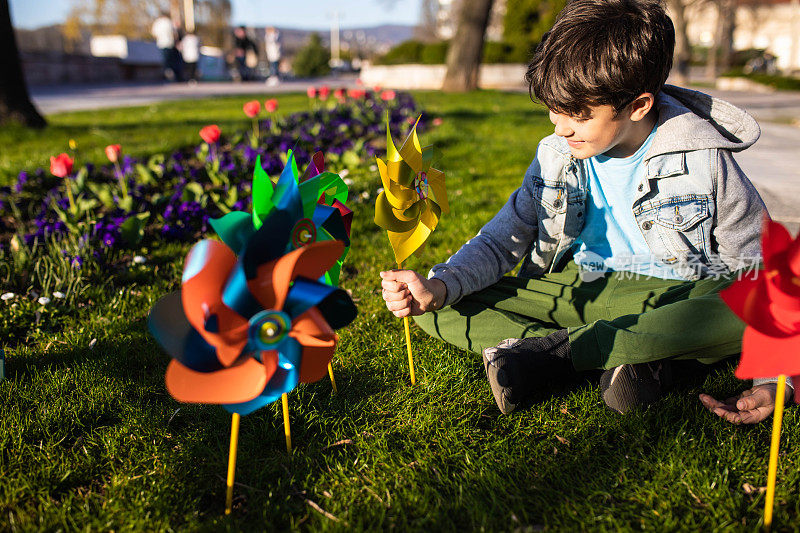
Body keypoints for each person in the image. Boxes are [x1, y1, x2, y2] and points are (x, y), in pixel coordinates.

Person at [379, 0, 793, 424]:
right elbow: (502, 240)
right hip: (581, 287)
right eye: (554, 111)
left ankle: (561, 354)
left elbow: (763, 265)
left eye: (578, 114)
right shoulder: (556, 154)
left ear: (638, 105)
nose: (560, 127)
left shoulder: (703, 160)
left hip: (677, 294)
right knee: (439, 305)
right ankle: (632, 357)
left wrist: (775, 375)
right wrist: (439, 287)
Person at [151, 11, 177, 81]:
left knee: (164, 59)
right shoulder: (169, 22)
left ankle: (166, 73)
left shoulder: (157, 22)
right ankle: (168, 73)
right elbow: (174, 34)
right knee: (169, 60)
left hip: (161, 43)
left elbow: (154, 33)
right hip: (169, 43)